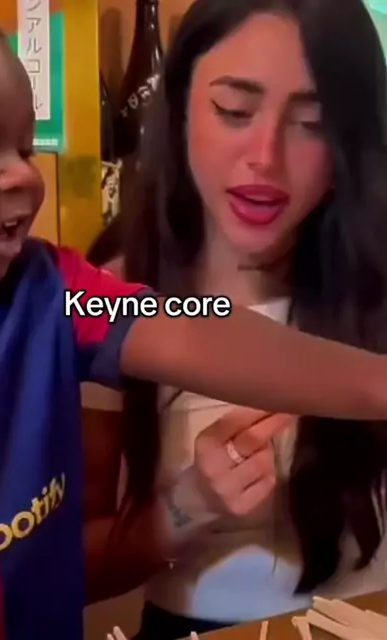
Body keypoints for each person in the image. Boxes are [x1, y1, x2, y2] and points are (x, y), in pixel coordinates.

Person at [0, 0, 387, 639]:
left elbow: (190, 325)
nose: (23, 176)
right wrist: (186, 509)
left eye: (24, 148)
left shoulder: (56, 293)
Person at [83, 0, 387, 637]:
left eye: (312, 124)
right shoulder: (109, 294)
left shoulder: (375, 272)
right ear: (179, 107)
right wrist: (188, 505)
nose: (265, 158)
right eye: (233, 110)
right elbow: (74, 570)